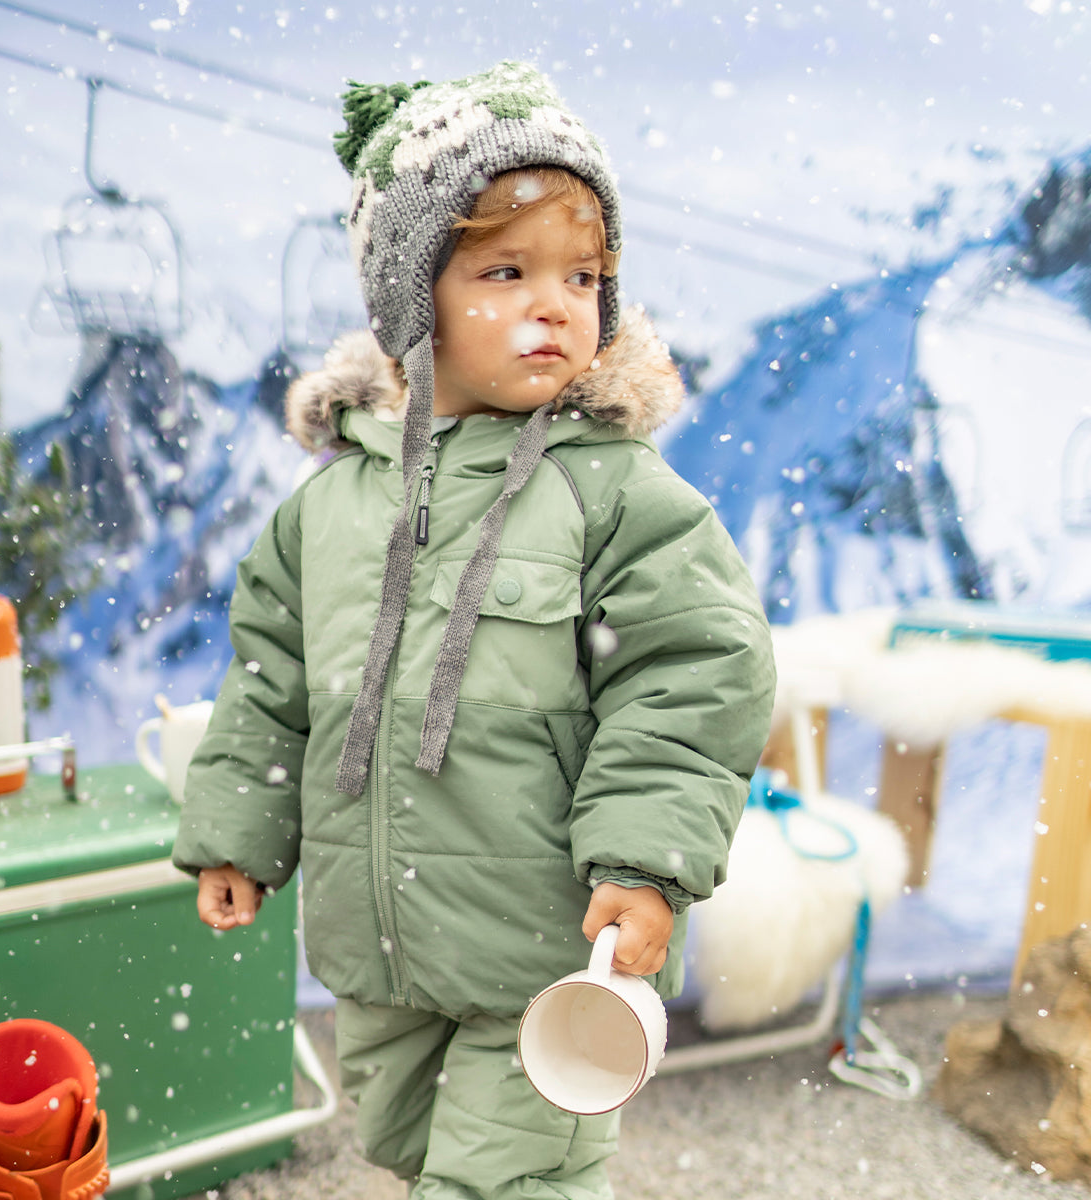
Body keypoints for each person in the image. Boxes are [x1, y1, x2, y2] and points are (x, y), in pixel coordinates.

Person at [173, 60, 776, 1200]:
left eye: (583, 276)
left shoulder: (615, 493)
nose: (557, 303)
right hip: (382, 945)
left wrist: (646, 860)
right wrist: (238, 830)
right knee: (411, 1152)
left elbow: (692, 677)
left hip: (554, 948)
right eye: (508, 271)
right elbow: (271, 682)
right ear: (414, 299)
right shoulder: (331, 508)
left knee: (507, 1181)